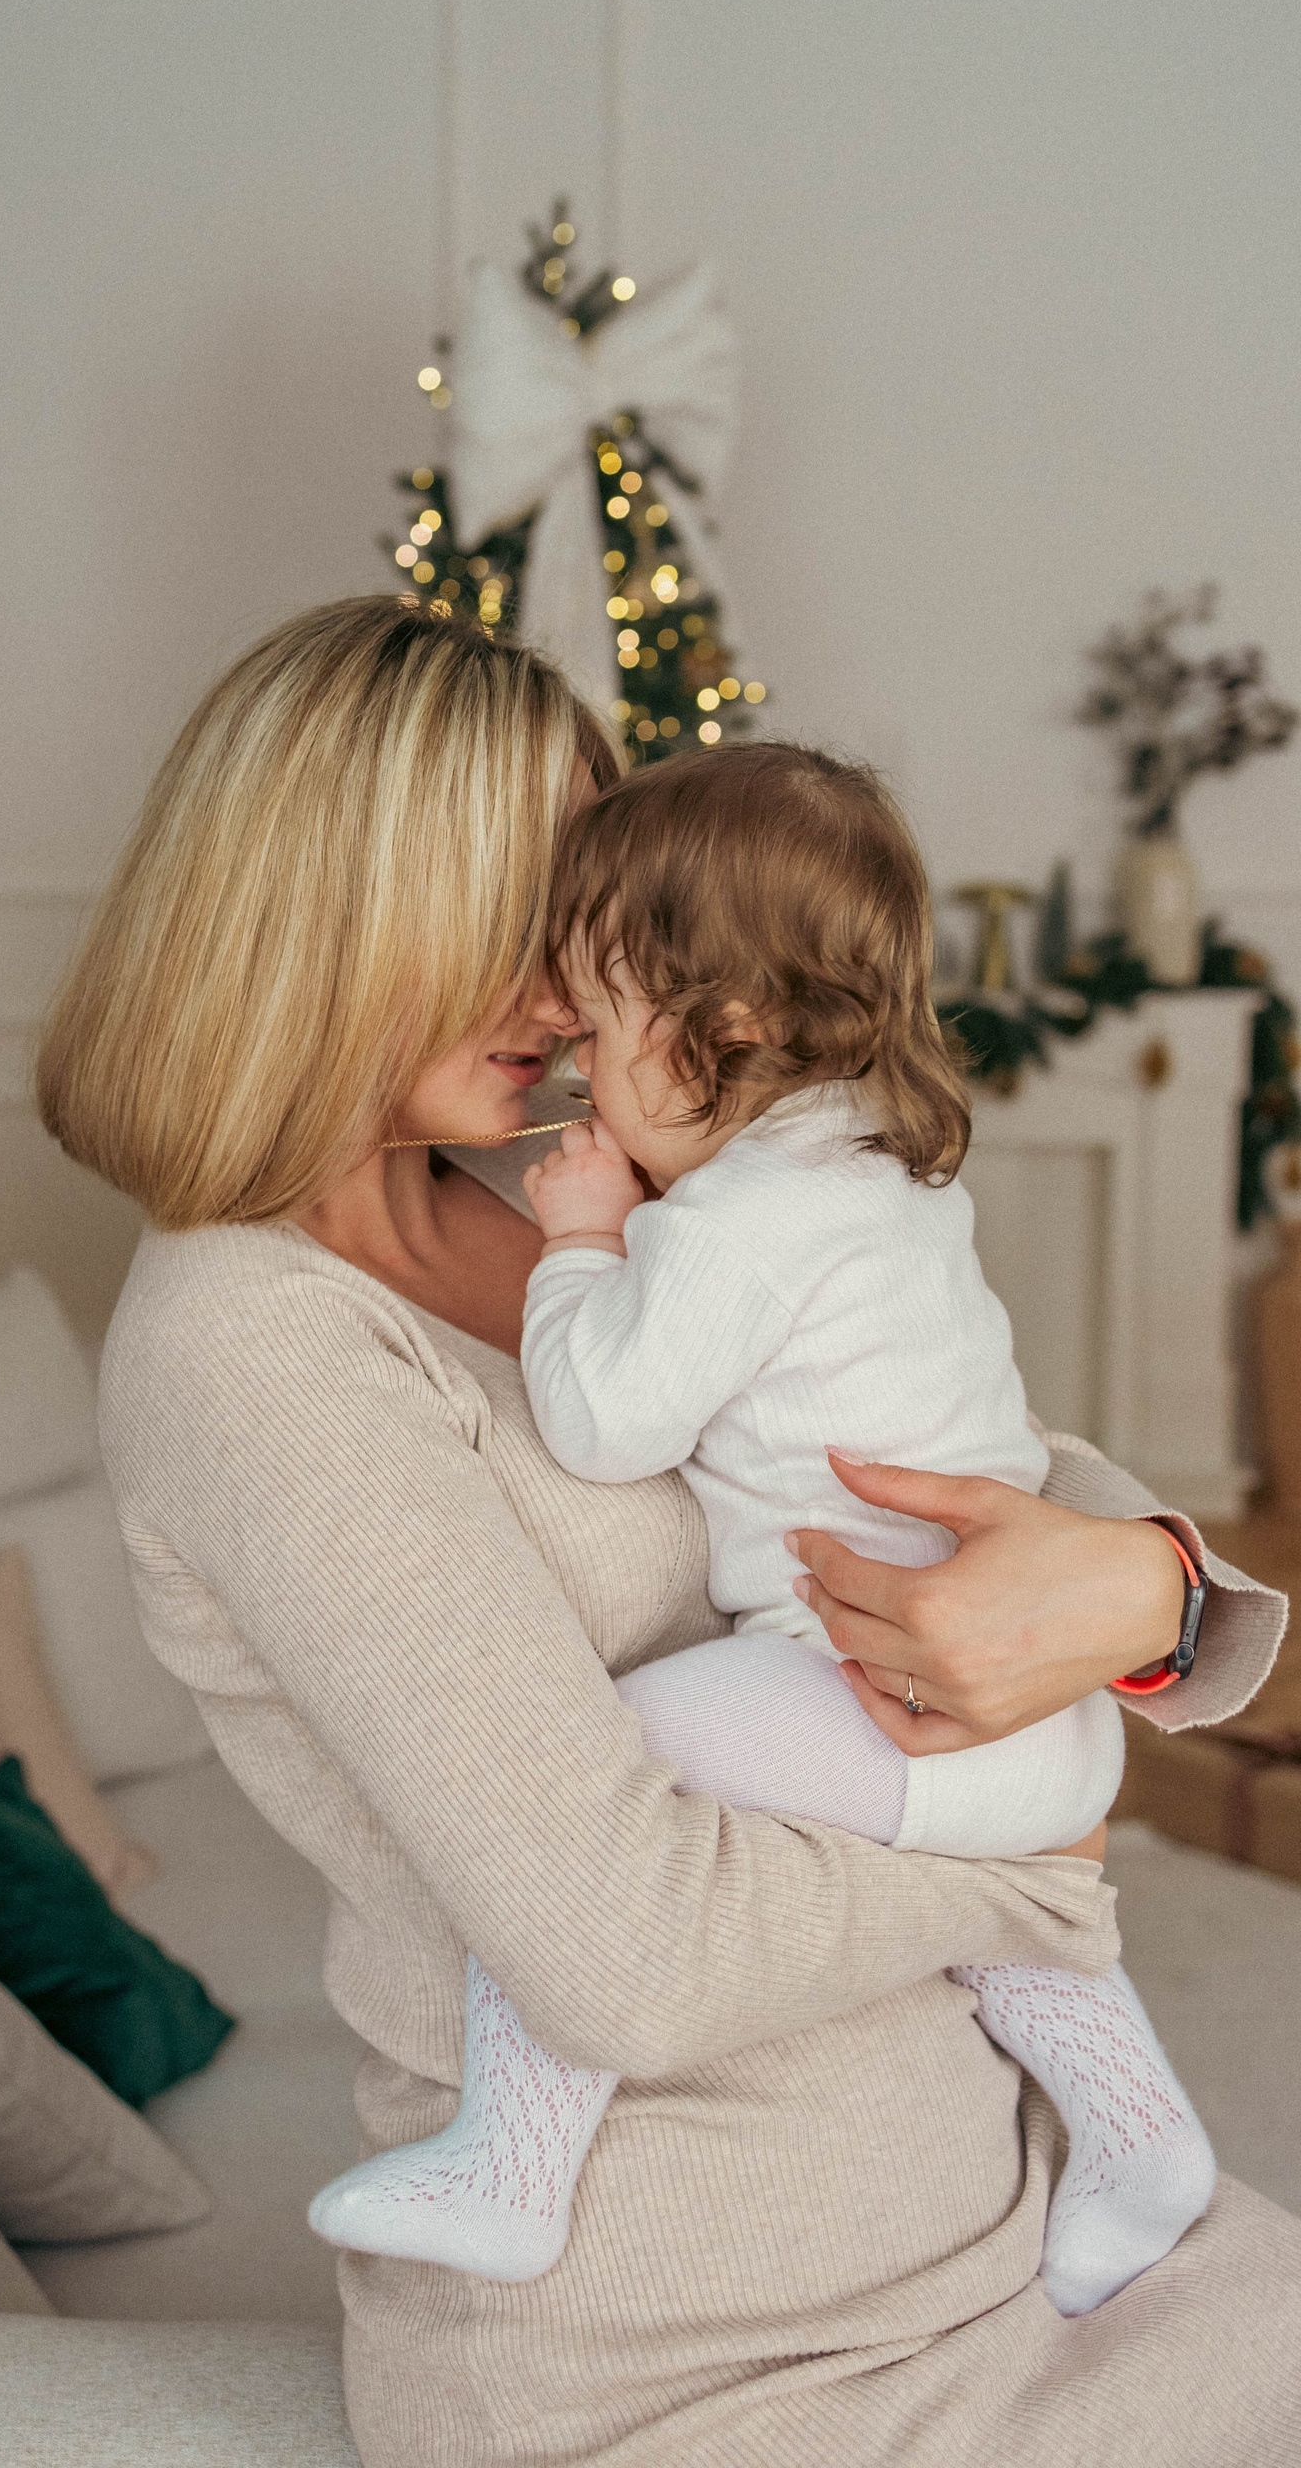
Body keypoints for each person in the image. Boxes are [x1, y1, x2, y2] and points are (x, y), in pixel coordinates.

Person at [39, 597, 1296, 2467]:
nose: (567, 997)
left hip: (998, 2215)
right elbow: (624, 1947)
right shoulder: (251, 1347)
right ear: (333, 918)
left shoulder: (554, 1201)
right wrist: (1038, 1860)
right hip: (695, 2345)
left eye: (576, 921)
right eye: (511, 922)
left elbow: (940, 1443)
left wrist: (1146, 1587)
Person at [306, 743, 1213, 2312]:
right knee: (1012, 1931)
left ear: (719, 1030)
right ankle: (1142, 2137)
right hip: (1040, 1722)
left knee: (604, 1770)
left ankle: (513, 2163)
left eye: (598, 1031)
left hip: (888, 1685)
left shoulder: (732, 1222)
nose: (574, 1060)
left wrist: (586, 1241)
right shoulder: (878, 1169)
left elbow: (605, 1423)